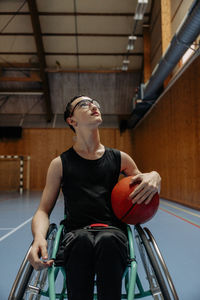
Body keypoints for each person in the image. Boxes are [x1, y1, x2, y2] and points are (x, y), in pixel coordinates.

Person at [28, 95, 161, 300]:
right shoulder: (60, 164)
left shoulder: (120, 158)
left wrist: (155, 176)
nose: (93, 105)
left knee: (108, 240)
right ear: (72, 121)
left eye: (95, 103)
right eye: (83, 104)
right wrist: (38, 238)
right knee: (81, 241)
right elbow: (43, 211)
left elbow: (145, 181)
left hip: (113, 233)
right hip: (75, 234)